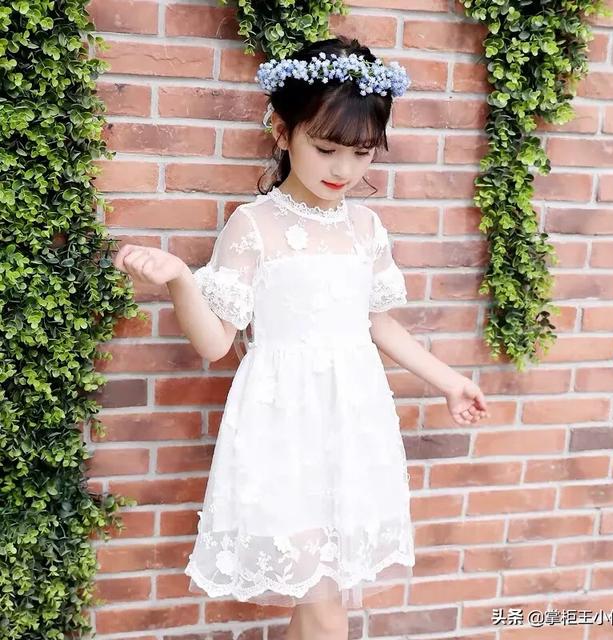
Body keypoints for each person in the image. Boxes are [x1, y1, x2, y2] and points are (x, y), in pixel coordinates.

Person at [113, 36, 489, 640]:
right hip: (284, 427)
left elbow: (377, 322)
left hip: (353, 424)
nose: (344, 171)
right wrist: (182, 279)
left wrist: (448, 381)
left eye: (362, 154)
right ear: (283, 132)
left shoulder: (366, 227)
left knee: (321, 595)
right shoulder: (254, 225)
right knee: (324, 605)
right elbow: (216, 343)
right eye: (327, 149)